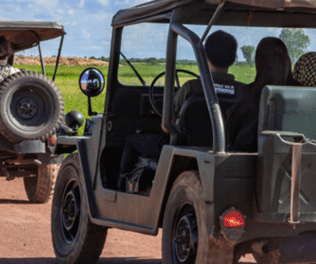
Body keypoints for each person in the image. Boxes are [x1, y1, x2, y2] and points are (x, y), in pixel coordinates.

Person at [117, 30, 242, 191]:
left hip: (183, 150)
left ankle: (121, 186)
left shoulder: (191, 87)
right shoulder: (242, 91)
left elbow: (167, 125)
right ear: (233, 58)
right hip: (227, 151)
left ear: (205, 56)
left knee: (131, 141)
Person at [226, 37, 297, 152]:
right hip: (297, 157)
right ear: (286, 60)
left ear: (258, 63)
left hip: (252, 160)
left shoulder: (248, 93)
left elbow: (232, 130)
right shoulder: (302, 92)